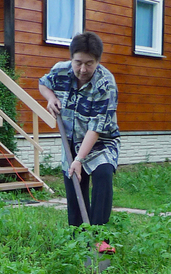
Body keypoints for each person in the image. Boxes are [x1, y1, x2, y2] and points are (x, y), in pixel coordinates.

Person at [39, 31, 120, 254]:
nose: (83, 69)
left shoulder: (106, 84)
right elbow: (43, 83)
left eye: (89, 63)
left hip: (101, 141)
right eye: (78, 62)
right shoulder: (60, 70)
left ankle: (99, 238)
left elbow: (96, 127)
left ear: (98, 61)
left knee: (103, 174)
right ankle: (78, 241)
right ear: (71, 58)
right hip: (72, 140)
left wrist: (80, 159)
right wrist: (51, 98)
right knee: (76, 188)